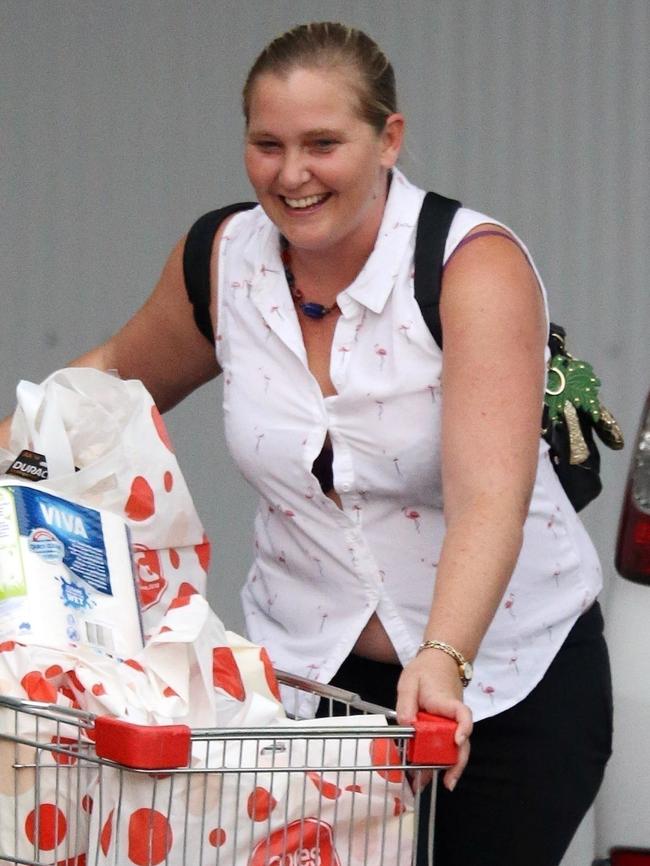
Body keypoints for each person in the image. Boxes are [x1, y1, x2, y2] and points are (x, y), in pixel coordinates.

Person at [0, 21, 611, 866]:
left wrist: (443, 660)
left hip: (496, 679)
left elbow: (489, 501)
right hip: (303, 688)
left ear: (388, 138)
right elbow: (104, 381)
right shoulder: (225, 261)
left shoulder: (468, 267)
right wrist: (16, 462)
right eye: (267, 144)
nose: (292, 174)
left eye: (323, 143)